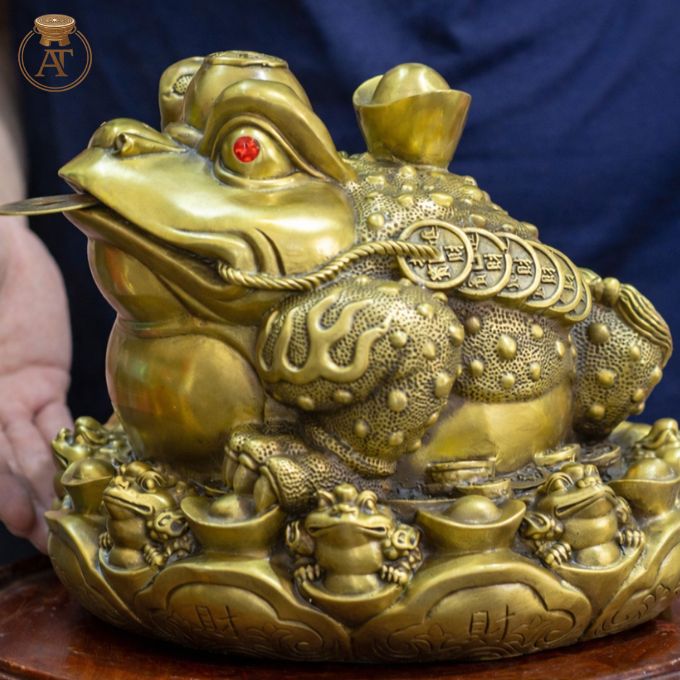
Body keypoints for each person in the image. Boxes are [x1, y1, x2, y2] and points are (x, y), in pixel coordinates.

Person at [1, 0, 679, 557]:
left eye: (242, 147)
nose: (126, 139)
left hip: (608, 142)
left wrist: (328, 460)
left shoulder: (323, 318)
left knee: (617, 347)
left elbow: (419, 329)